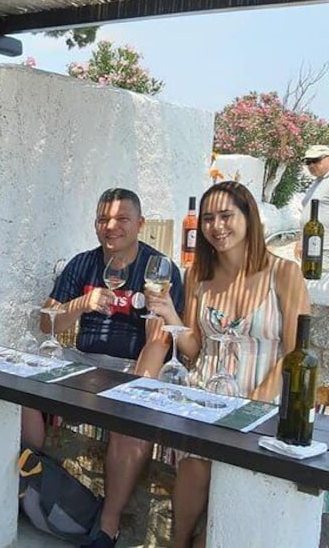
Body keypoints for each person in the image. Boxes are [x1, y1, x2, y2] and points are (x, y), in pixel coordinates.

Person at [145, 181, 310, 548]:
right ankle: (179, 541)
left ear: (249, 217)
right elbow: (193, 347)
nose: (216, 226)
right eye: (207, 218)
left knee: (233, 484)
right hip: (206, 395)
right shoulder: (198, 276)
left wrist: (256, 406)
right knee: (196, 463)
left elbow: (294, 351)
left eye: (225, 215)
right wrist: (170, 312)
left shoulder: (283, 273)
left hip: (261, 399)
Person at [21, 187, 184, 548]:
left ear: (140, 223)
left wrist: (138, 388)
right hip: (82, 362)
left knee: (132, 425)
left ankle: (107, 526)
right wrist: (81, 303)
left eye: (122, 218)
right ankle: (32, 470)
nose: (111, 226)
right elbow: (47, 325)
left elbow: (163, 338)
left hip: (131, 366)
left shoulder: (158, 268)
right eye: (102, 219)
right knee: (20, 385)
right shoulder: (83, 263)